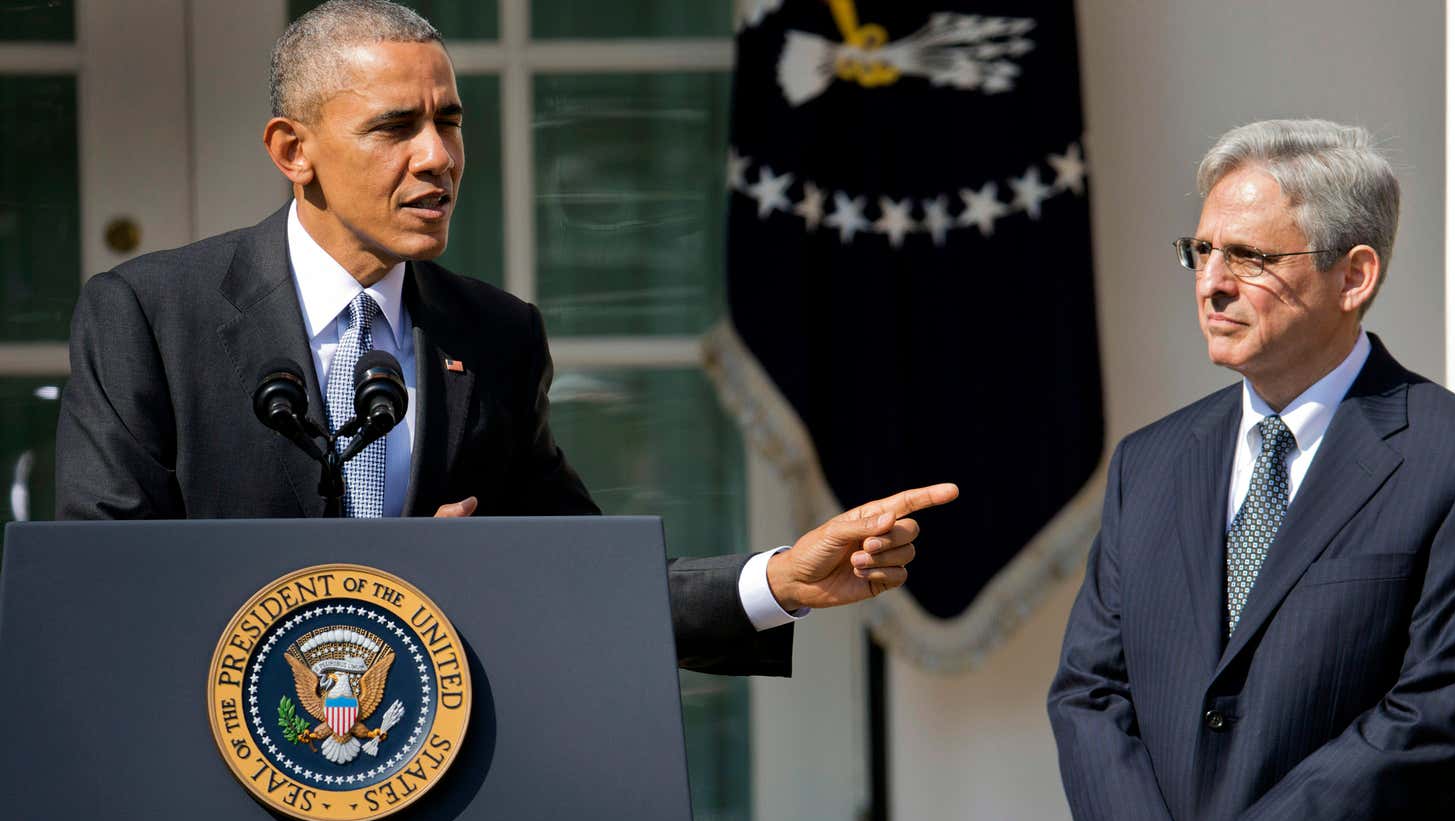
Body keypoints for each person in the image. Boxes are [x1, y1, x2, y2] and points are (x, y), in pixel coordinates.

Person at [54, 0, 956, 677]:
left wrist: (779, 583)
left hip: (432, 801)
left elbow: (578, 575)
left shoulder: (495, 335)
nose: (438, 156)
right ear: (294, 151)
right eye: (395, 128)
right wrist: (392, 582)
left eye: (448, 121)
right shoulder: (147, 315)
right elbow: (105, 598)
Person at [1047, 119, 1455, 821]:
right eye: (1201, 250)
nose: (1211, 282)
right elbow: (1091, 690)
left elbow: (1440, 708)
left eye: (1249, 257)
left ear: (1354, 277)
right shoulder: (1151, 461)